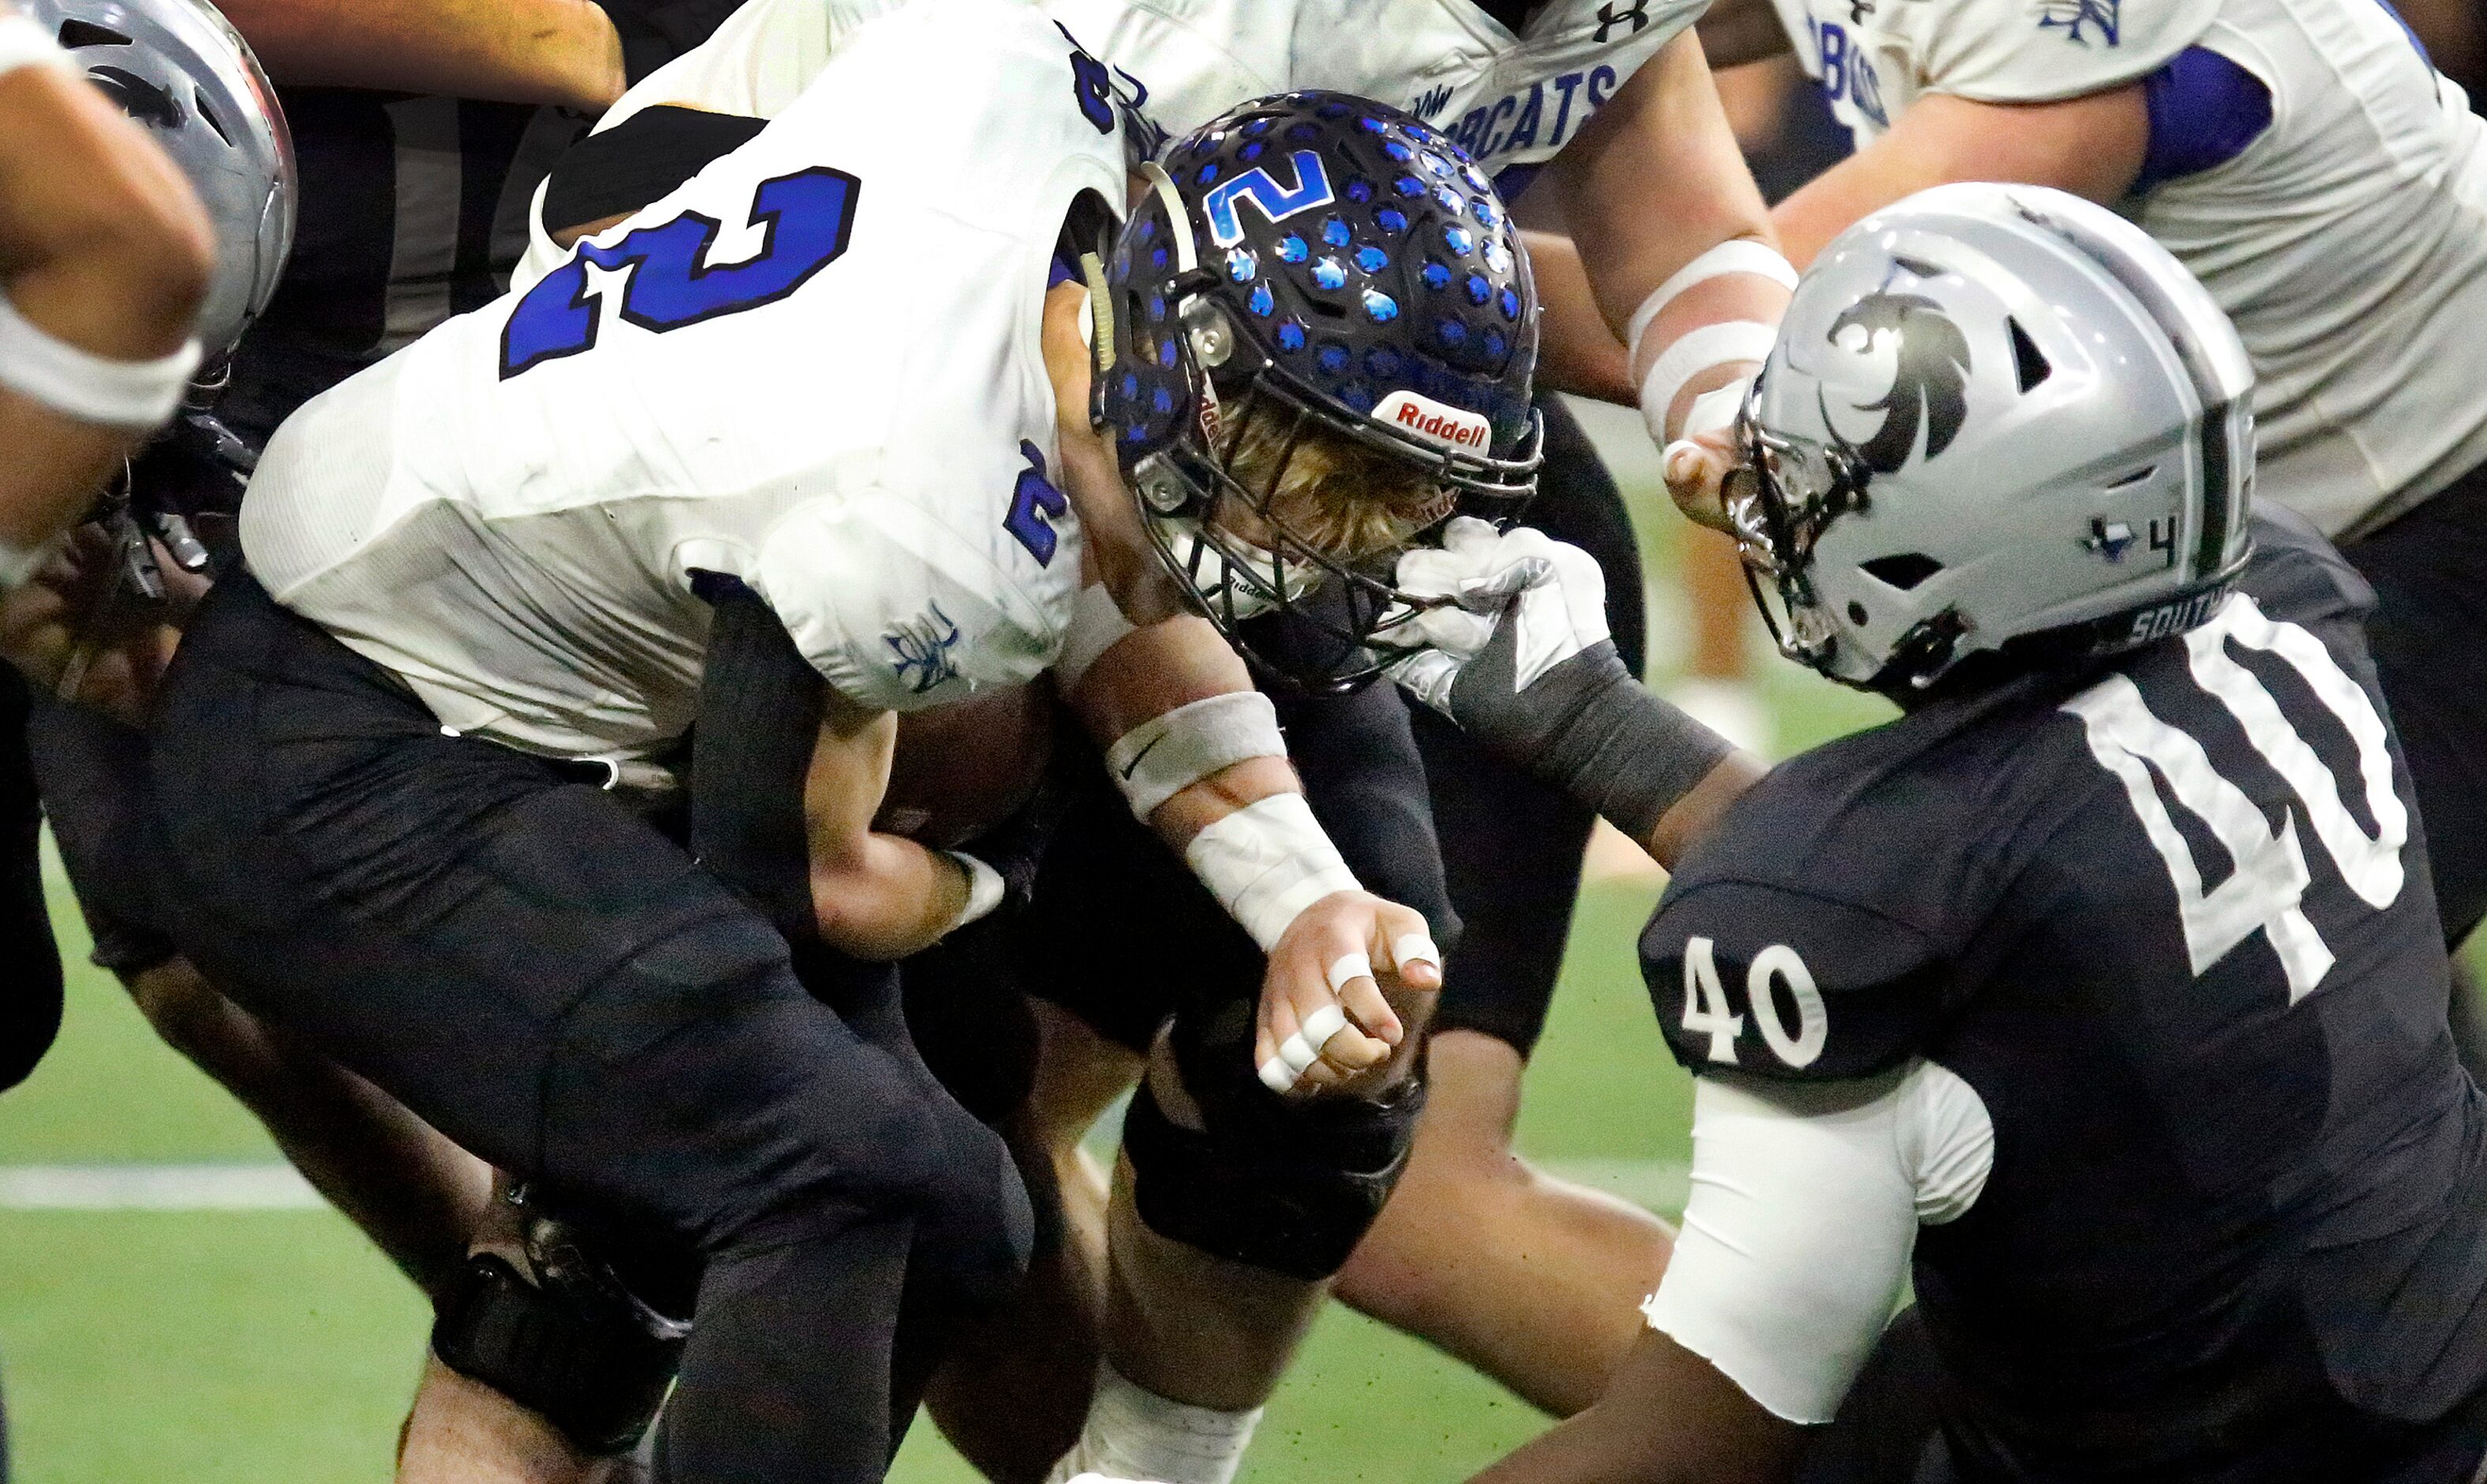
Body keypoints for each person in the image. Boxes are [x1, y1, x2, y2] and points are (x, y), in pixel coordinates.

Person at [149, 9, 1461, 1475]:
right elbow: (815, 886)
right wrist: (995, 887)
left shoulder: (1031, 90)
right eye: (1306, 468)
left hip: (498, 648)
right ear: (1184, 357)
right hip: (349, 741)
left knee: (963, 1210)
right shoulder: (930, 534)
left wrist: (1284, 887)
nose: (1320, 539)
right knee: (840, 1179)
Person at [547, 0, 1794, 1449]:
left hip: (1279, 432)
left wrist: (1735, 397)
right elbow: (1069, 430)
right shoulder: (1189, 53)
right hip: (891, 441)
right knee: (912, 1141)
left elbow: (1679, 209)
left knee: (1329, 1052)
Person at [1396, 182, 2487, 1482]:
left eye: (1811, 475)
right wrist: (1604, 730)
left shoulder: (1838, 920)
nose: (1767, 498)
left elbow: (1690, 1444)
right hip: (2403, 1365)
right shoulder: (2288, 597)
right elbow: (2012, 883)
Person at [1689, 0, 2487, 966]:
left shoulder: (2107, 57)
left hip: (2429, 498)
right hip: (2216, 521)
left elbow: (1742, 319)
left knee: (2247, 985)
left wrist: (1461, 261)